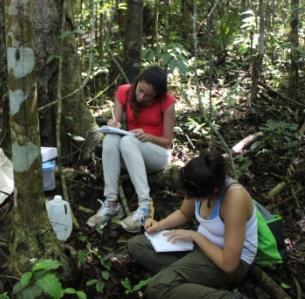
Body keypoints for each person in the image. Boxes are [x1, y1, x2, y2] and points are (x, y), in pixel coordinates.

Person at [128, 151, 258, 299]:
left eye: (193, 196)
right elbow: (184, 213)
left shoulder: (234, 199)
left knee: (158, 287)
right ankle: (187, 280)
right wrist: (159, 226)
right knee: (137, 245)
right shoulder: (197, 181)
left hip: (228, 259)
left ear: (213, 191)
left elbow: (229, 265)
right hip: (199, 248)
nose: (188, 198)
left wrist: (195, 236)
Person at [86, 66, 176, 233]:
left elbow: (168, 142)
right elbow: (115, 125)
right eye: (140, 90)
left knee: (128, 140)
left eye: (148, 95)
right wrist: (112, 124)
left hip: (157, 154)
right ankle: (111, 204)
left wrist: (148, 137)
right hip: (131, 152)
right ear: (137, 82)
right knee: (112, 137)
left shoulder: (167, 101)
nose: (141, 97)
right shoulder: (124, 92)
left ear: (157, 94)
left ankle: (145, 207)